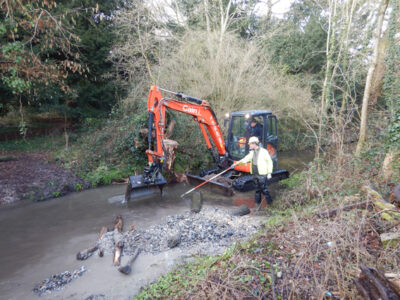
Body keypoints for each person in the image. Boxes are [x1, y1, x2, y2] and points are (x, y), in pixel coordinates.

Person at [231, 136, 273, 211]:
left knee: (264, 190)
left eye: (250, 144)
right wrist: (236, 164)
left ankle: (271, 205)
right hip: (255, 174)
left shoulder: (264, 152)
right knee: (257, 191)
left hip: (262, 174)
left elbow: (269, 162)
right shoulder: (252, 153)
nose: (249, 145)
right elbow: (245, 160)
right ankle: (257, 207)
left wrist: (269, 173)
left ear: (254, 144)